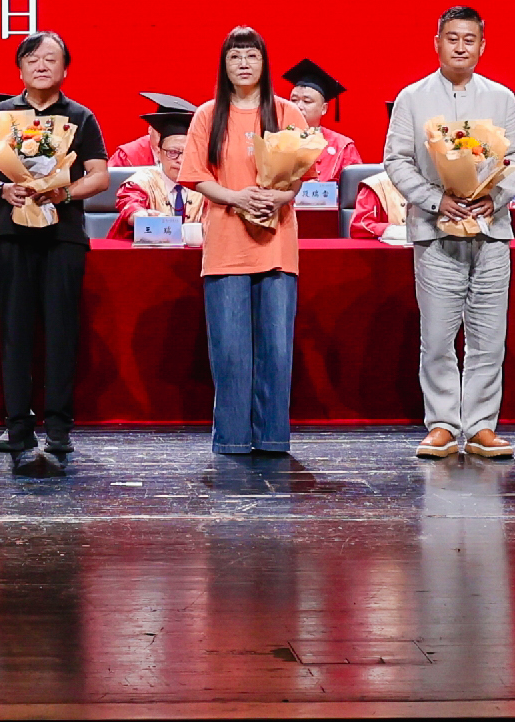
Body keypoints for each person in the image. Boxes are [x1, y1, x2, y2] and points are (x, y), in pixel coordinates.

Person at [383, 5, 515, 460]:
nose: (461, 47)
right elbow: (396, 159)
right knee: (438, 336)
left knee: (488, 337)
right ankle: (443, 424)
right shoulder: (412, 98)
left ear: (482, 46)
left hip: (491, 232)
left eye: (470, 39)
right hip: (435, 233)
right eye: (453, 38)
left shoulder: (501, 97)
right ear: (437, 43)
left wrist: (496, 197)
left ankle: (482, 425)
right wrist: (435, 199)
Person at [0, 31, 119, 467]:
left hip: (62, 237)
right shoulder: (2, 113)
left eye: (51, 58)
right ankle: (17, 427)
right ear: (20, 68)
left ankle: (58, 428)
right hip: (11, 234)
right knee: (14, 332)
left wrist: (63, 192)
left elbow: (99, 176)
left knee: (62, 332)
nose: (41, 65)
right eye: (32, 58)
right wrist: (2, 188)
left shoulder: (81, 116)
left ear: (65, 69)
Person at [179, 26, 311, 459]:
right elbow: (195, 175)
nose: (243, 63)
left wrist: (278, 197)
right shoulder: (207, 115)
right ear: (224, 65)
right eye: (235, 56)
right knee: (230, 350)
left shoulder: (287, 112)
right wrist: (236, 198)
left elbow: (301, 173)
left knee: (276, 348)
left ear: (264, 63)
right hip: (225, 243)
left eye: (251, 55)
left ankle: (272, 437)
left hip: (276, 242)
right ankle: (232, 438)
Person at [115, 105, 201, 240]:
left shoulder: (205, 185)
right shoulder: (141, 182)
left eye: (187, 154)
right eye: (173, 152)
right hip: (151, 250)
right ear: (158, 153)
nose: (180, 160)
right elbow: (130, 203)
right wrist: (139, 215)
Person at [283, 59, 360, 183]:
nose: (298, 106)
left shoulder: (342, 146)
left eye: (307, 101)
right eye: (294, 100)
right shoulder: (278, 139)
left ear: (324, 109)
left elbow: (356, 188)